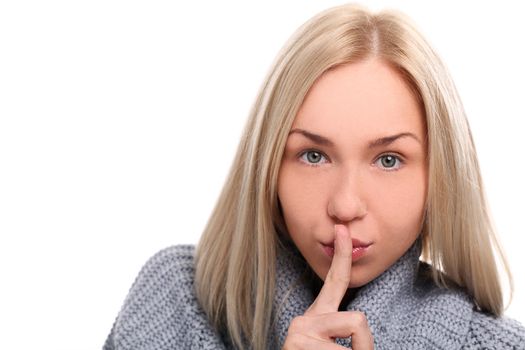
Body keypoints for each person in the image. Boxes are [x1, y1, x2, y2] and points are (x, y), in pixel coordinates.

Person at [103, 3, 525, 349]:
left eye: (389, 160)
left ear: (441, 177)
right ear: (267, 166)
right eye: (313, 155)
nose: (344, 204)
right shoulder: (176, 299)